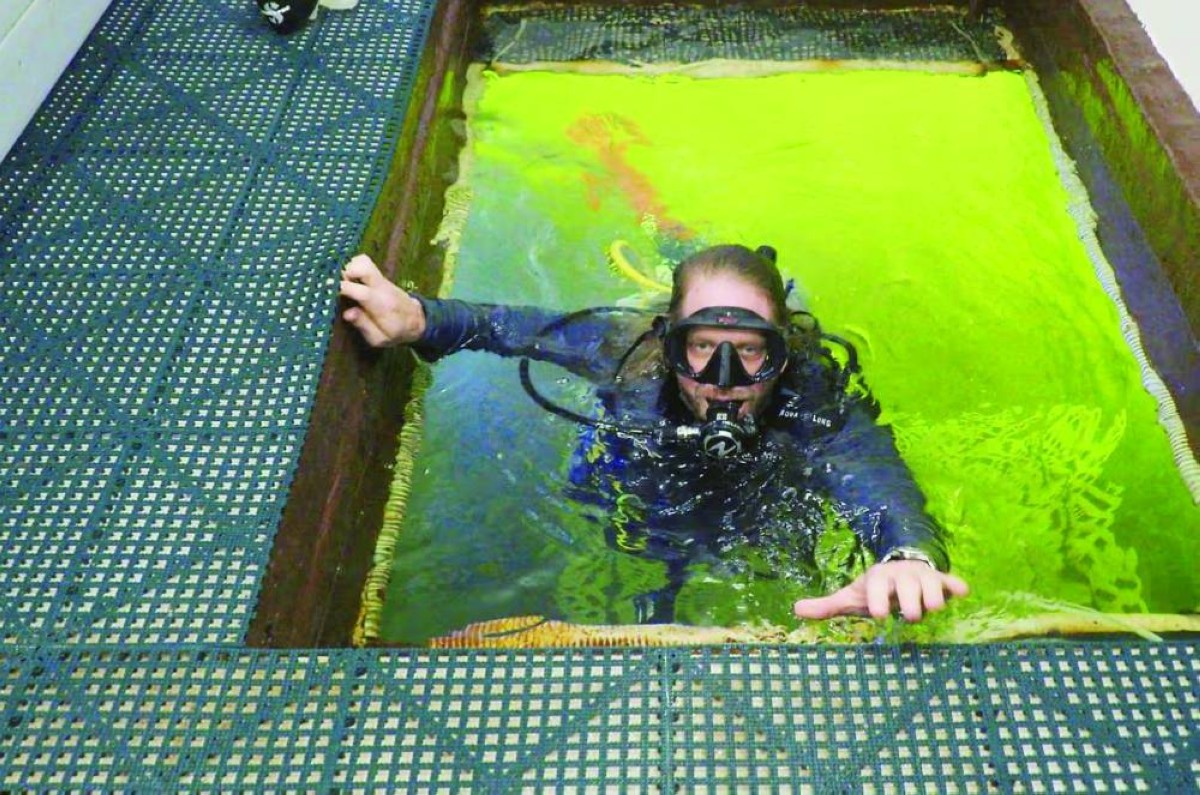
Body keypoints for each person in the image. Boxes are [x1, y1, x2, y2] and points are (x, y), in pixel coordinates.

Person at [339, 244, 969, 625]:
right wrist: (418, 318)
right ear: (669, 343)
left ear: (783, 351)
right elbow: (510, 326)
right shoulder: (626, 354)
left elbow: (872, 473)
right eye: (702, 347)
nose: (724, 380)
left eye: (751, 351)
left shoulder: (812, 399)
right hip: (646, 491)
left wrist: (905, 555)